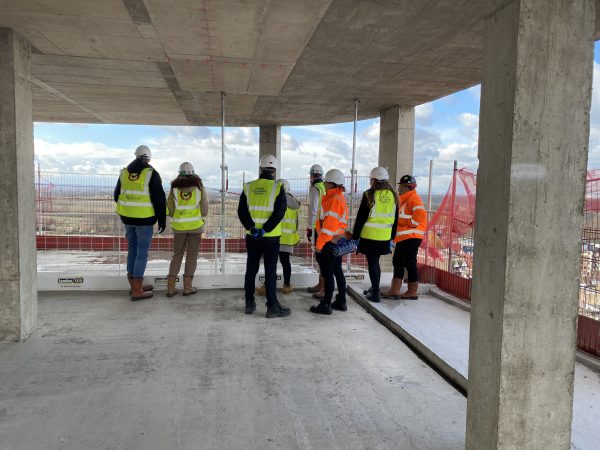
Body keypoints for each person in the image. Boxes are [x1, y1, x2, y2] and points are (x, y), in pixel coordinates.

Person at [237, 154, 290, 318]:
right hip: (271, 238)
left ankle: (249, 303)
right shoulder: (277, 188)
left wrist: (252, 228)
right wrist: (265, 229)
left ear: (260, 168)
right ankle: (272, 307)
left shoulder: (248, 187)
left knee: (251, 269)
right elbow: (279, 212)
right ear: (274, 170)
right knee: (270, 271)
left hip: (252, 237)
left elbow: (242, 211)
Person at [114, 145, 166, 301]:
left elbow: (117, 195)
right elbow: (159, 200)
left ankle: (134, 286)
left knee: (133, 250)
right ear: (148, 158)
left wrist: (129, 210)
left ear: (135, 156)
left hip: (127, 219)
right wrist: (162, 219)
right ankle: (137, 290)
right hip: (144, 220)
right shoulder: (151, 174)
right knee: (142, 252)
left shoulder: (124, 173)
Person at [350, 167, 398, 303]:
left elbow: (361, 218)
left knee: (372, 263)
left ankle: (375, 293)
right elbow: (396, 218)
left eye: (371, 179)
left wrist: (355, 236)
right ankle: (374, 288)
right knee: (375, 262)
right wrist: (392, 236)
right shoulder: (393, 195)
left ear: (374, 180)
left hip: (370, 236)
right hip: (384, 236)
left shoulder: (369, 195)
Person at [165, 162, 208, 297]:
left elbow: (170, 209)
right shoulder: (199, 187)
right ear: (193, 173)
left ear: (179, 173)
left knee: (177, 255)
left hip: (178, 227)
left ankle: (171, 288)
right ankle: (187, 287)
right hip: (195, 226)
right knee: (192, 256)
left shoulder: (174, 188)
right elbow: (204, 209)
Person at [310, 168, 349, 315]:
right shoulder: (336, 197)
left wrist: (319, 245)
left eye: (326, 181)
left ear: (332, 184)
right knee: (337, 271)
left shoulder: (333, 200)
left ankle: (326, 304)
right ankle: (341, 301)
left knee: (328, 273)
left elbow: (328, 228)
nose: (324, 183)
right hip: (335, 241)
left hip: (329, 242)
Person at [382, 174, 427, 300]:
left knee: (409, 262)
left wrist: (410, 223)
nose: (399, 188)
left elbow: (420, 214)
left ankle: (412, 291)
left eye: (401, 186)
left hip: (411, 236)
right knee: (398, 261)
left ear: (408, 187)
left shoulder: (413, 198)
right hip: (404, 237)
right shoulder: (405, 199)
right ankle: (395, 289)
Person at [256, 179, 301, 295]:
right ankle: (287, 285)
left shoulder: (276, 200)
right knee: (286, 262)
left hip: (275, 237)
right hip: (288, 239)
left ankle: (267, 286)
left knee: (271, 263)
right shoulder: (295, 206)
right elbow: (296, 224)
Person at [306, 164, 326, 298]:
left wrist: (310, 228)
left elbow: (313, 210)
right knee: (323, 258)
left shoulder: (314, 188)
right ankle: (321, 285)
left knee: (321, 258)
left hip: (318, 226)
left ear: (311, 176)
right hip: (326, 225)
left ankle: (322, 287)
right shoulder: (324, 187)